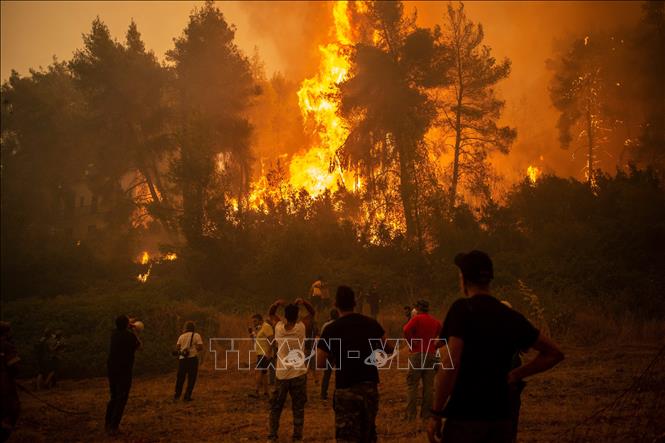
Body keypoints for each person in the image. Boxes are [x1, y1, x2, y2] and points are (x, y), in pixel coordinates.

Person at [428, 251, 564, 443]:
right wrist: (516, 374)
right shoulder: (510, 315)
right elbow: (554, 353)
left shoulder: (463, 309)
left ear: (463, 279)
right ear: (489, 279)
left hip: (466, 417)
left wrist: (436, 413)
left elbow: (451, 362)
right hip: (502, 417)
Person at [317, 286, 393, 443]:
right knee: (369, 433)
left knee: (347, 436)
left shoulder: (331, 329)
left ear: (335, 304)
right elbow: (389, 348)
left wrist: (335, 356)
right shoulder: (371, 323)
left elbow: (320, 362)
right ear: (355, 302)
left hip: (346, 388)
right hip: (369, 386)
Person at [267, 298, 315, 442]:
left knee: (276, 407)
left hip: (282, 374)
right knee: (298, 408)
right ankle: (297, 437)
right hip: (299, 373)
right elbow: (312, 313)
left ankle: (272, 436)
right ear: (297, 316)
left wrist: (276, 304)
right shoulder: (301, 328)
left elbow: (271, 313)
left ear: (285, 316)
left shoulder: (279, 328)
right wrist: (304, 302)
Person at [403, 299, 441, 421]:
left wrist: (411, 343)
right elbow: (444, 336)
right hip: (431, 354)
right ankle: (426, 416)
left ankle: (410, 416)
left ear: (418, 309)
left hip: (417, 354)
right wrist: (436, 346)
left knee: (412, 385)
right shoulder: (435, 321)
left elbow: (406, 330)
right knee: (429, 387)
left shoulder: (416, 319)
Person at [105, 315, 142, 436]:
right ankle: (114, 427)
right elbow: (140, 346)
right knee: (122, 398)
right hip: (124, 370)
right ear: (126, 325)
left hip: (112, 369)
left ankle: (108, 424)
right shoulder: (129, 336)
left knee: (114, 396)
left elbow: (120, 327)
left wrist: (127, 325)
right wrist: (133, 330)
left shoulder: (113, 334)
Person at [174, 321, 203, 402]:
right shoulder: (196, 335)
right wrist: (194, 349)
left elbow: (177, 348)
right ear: (194, 327)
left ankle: (177, 396)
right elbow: (200, 347)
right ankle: (187, 396)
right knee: (191, 378)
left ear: (185, 328)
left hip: (182, 359)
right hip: (192, 359)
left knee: (180, 378)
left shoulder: (181, 336)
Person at [0, 322, 20, 442]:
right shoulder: (7, 346)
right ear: (7, 332)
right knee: (12, 410)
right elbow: (15, 367)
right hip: (4, 385)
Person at [249, 314, 274, 399]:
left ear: (260, 320)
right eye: (253, 322)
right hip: (260, 353)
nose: (254, 323)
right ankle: (266, 392)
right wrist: (252, 337)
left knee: (259, 371)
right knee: (263, 373)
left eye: (255, 321)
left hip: (264, 354)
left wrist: (269, 353)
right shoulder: (260, 328)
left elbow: (271, 340)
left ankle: (256, 391)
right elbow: (256, 343)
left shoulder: (266, 327)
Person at [319, 308, 339, 401]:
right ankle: (338, 393)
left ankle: (323, 394)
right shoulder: (341, 324)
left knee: (327, 374)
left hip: (329, 351)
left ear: (330, 316)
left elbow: (322, 337)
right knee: (340, 374)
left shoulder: (326, 325)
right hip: (339, 351)